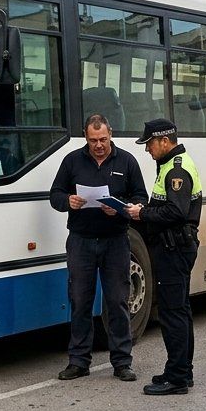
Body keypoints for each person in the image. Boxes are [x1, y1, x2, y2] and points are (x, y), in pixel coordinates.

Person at [48, 115, 148, 382]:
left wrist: (119, 208)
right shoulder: (72, 161)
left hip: (115, 240)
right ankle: (79, 361)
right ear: (85, 137)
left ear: (110, 134)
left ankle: (122, 362)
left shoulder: (126, 161)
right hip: (81, 240)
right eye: (93, 141)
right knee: (80, 301)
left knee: (117, 300)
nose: (99, 145)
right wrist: (68, 200)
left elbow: (141, 198)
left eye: (103, 139)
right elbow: (54, 194)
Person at [127, 119, 202, 396]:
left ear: (164, 141)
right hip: (174, 248)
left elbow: (176, 212)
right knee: (180, 310)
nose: (147, 150)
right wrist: (144, 209)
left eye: (149, 144)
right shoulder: (170, 165)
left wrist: (141, 214)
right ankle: (182, 370)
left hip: (174, 249)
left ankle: (178, 377)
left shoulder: (176, 170)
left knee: (172, 313)